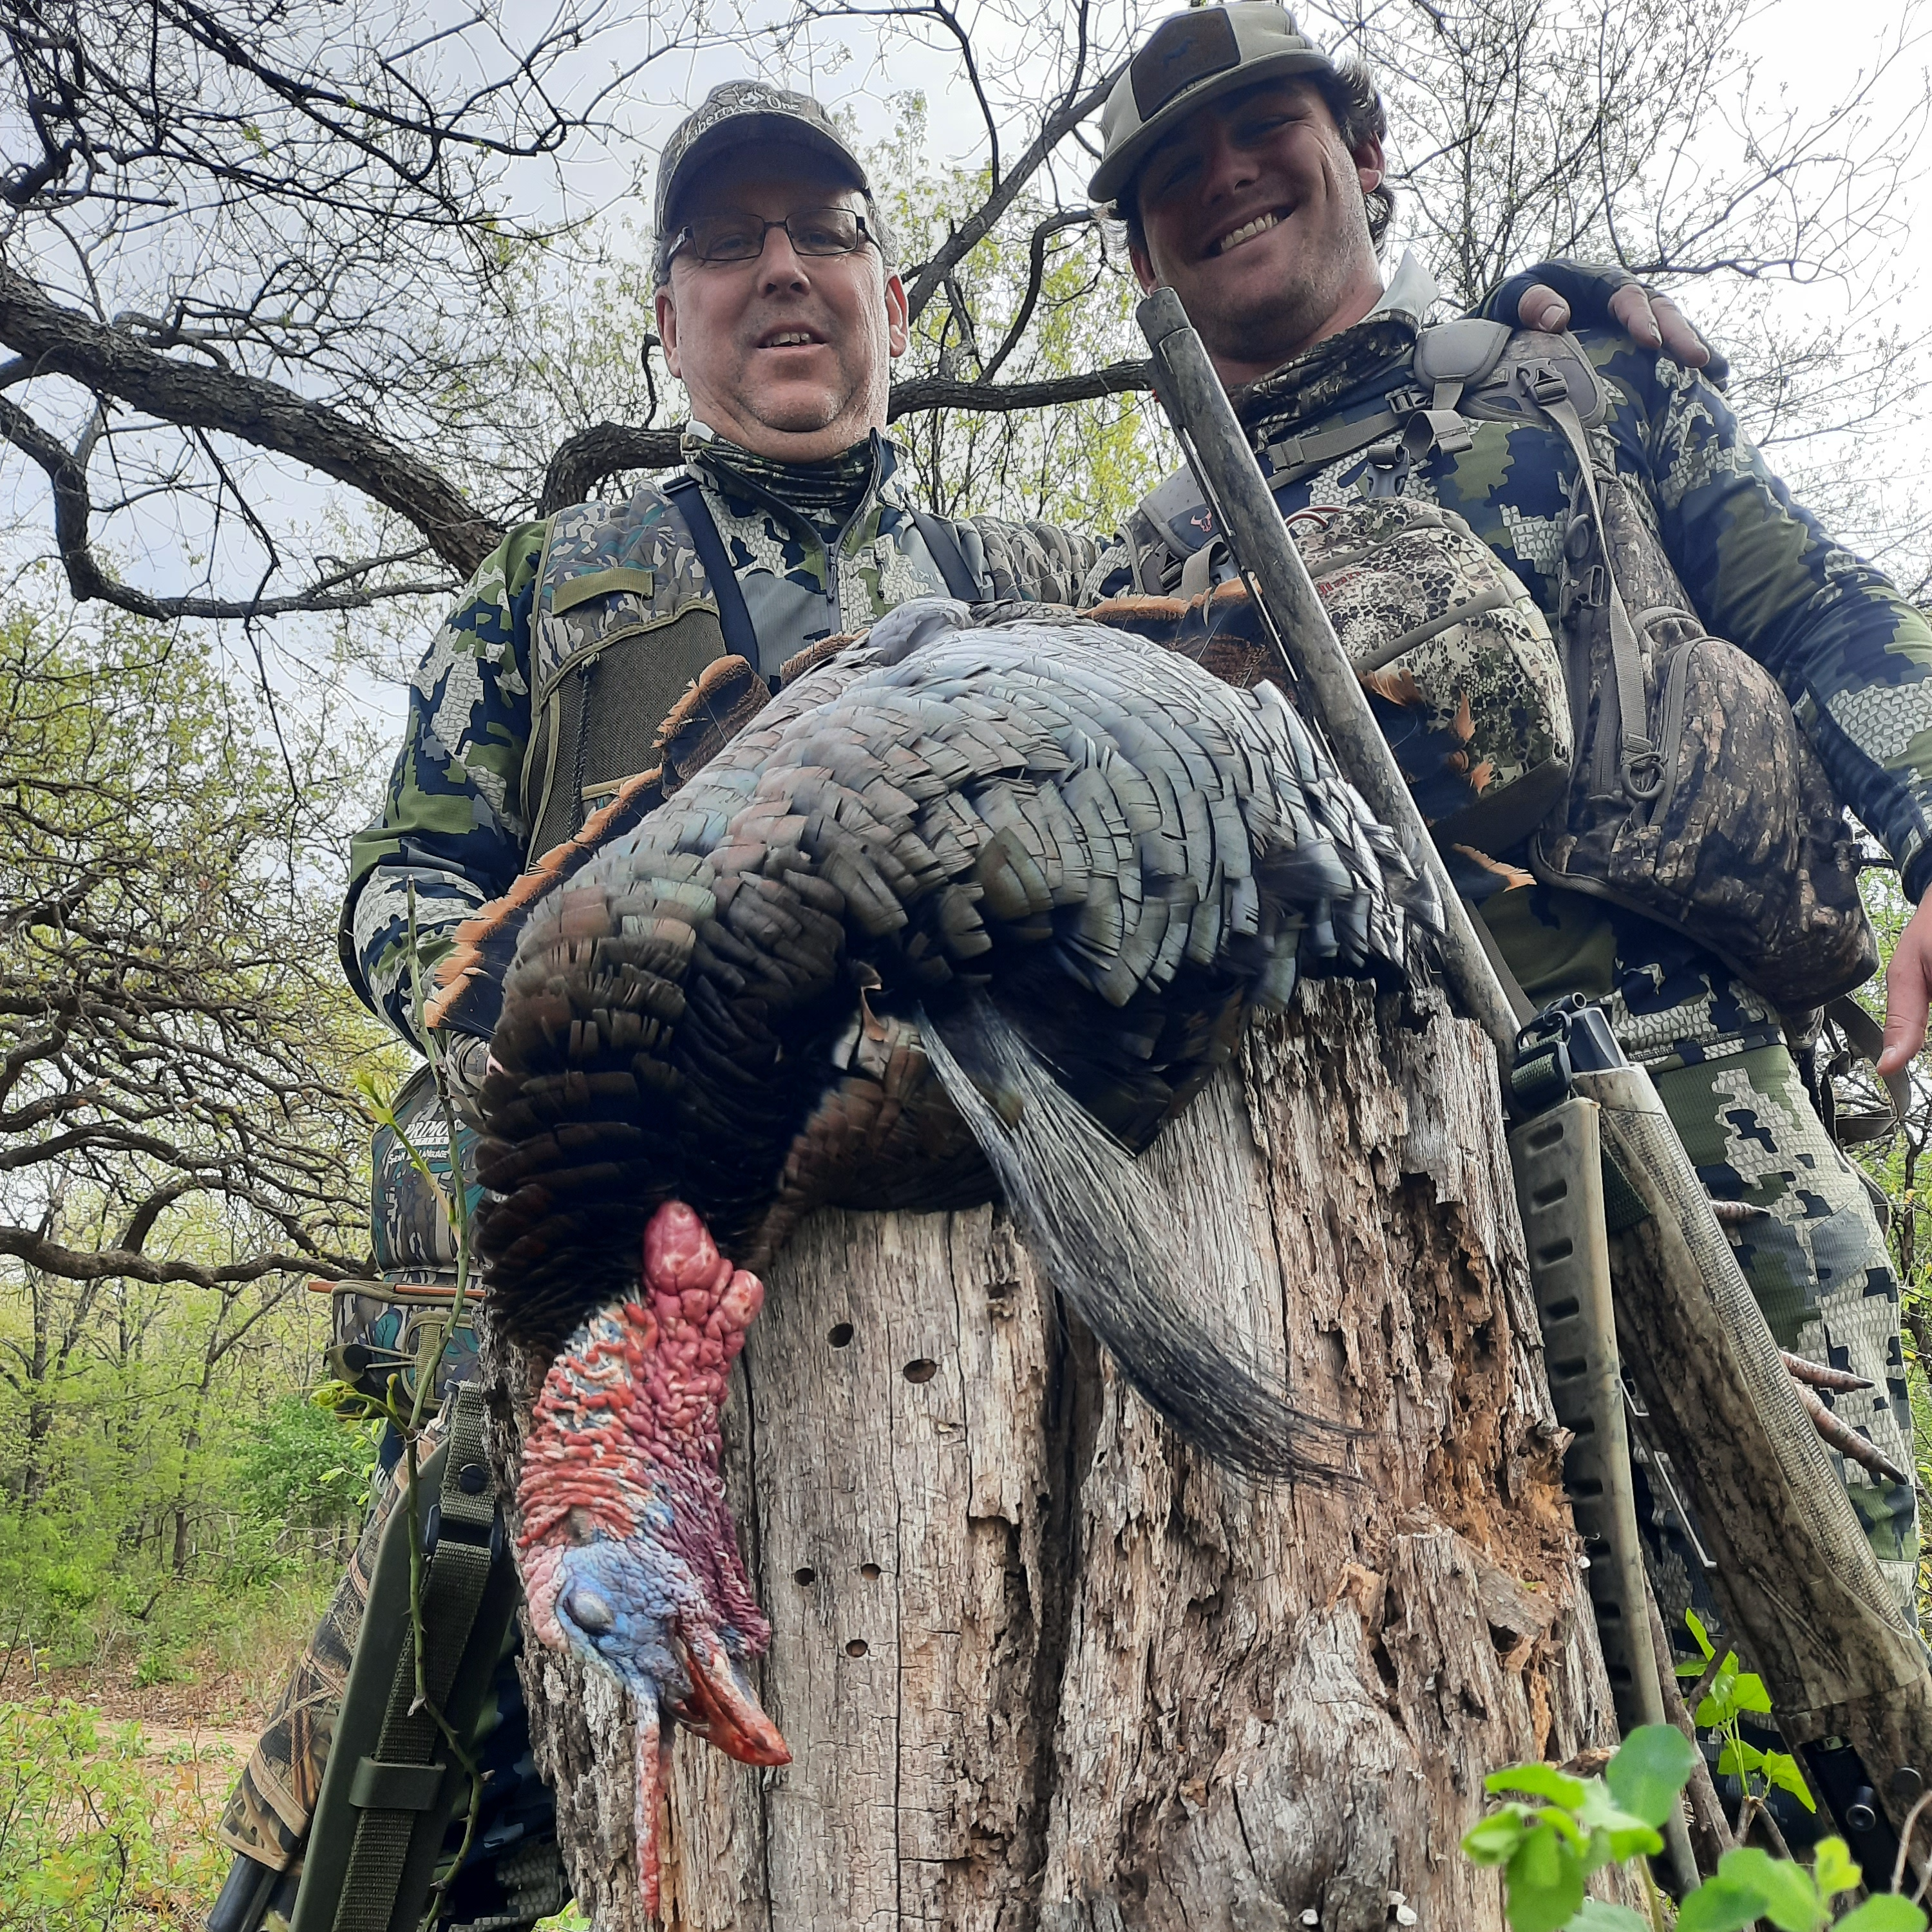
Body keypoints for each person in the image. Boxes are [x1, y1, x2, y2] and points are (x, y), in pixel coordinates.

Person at [209, 68, 1710, 1932]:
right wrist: (602, 1040)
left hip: (942, 1360)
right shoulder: (552, 585)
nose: (782, 272)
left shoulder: (1028, 581)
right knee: (404, 1820)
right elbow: (404, 898)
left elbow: (1310, 627)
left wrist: (1504, 327)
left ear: (891, 299)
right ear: (666, 317)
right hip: (635, 1293)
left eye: (825, 236)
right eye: (727, 244)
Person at [1084, 0, 1927, 1673]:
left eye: (1267, 128)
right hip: (1353, 1219)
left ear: (1364, 150)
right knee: (1479, 1733)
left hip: (1700, 1137)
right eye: (1176, 168)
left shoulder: (1582, 379)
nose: (1227, 175)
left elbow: (1819, 606)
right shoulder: (1138, 584)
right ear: (1142, 257)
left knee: (1826, 1709)